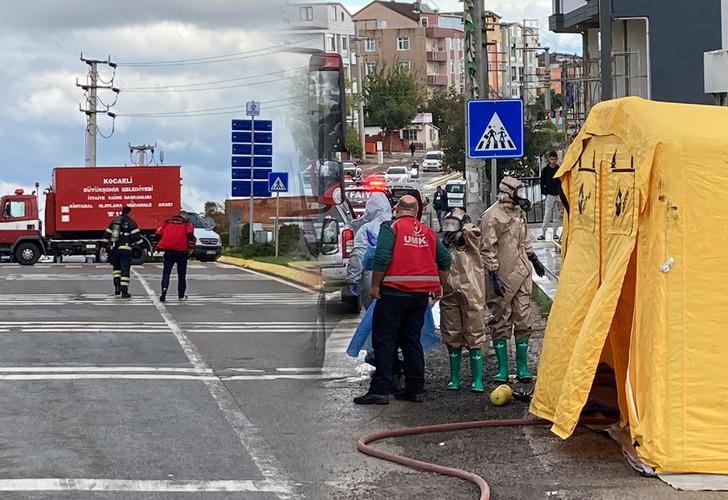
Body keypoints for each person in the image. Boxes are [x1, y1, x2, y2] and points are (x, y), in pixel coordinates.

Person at [354, 195, 451, 405]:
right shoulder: (428, 232)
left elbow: (381, 257)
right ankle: (414, 389)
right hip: (418, 298)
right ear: (417, 211)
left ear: (397, 210)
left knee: (384, 341)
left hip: (393, 295)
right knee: (411, 341)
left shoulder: (392, 228)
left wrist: (374, 285)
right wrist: (438, 285)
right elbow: (445, 260)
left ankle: (380, 389)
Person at [479, 177, 546, 382]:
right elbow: (487, 248)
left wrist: (534, 259)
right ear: (508, 192)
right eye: (518, 192)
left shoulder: (520, 213)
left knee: (524, 319)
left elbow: (524, 240)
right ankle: (502, 370)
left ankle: (523, 368)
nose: (522, 197)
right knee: (500, 319)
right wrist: (493, 274)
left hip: (522, 274)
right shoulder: (491, 216)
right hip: (502, 276)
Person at [440, 208, 486, 392]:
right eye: (447, 225)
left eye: (453, 225)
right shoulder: (444, 245)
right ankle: (454, 378)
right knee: (452, 331)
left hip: (471, 290)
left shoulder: (470, 239)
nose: (449, 229)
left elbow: (475, 235)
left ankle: (477, 379)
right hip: (449, 290)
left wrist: (463, 229)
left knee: (475, 332)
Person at [345, 192, 392, 310]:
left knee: (373, 318)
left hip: (372, 278)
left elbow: (358, 255)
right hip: (398, 278)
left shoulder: (367, 228)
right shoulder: (397, 225)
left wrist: (353, 279)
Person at [155, 210, 197, 302]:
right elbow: (190, 236)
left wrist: (157, 244)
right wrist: (190, 248)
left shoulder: (167, 222)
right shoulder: (187, 224)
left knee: (166, 273)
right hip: (182, 252)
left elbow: (158, 234)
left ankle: (164, 289)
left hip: (169, 252)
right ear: (185, 217)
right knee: (181, 274)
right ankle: (181, 294)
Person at [103, 206, 143, 298]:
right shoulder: (131, 222)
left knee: (116, 269)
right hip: (126, 250)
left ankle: (117, 287)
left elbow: (107, 234)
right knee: (125, 271)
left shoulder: (115, 221)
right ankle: (124, 292)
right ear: (129, 213)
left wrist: (103, 246)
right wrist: (143, 247)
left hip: (115, 249)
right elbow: (136, 237)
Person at [539, 151, 563, 241]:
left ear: (556, 159)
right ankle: (543, 233)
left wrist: (561, 192)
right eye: (551, 159)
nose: (553, 161)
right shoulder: (545, 170)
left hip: (558, 194)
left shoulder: (558, 168)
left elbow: (561, 181)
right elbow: (542, 182)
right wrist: (544, 192)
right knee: (547, 214)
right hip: (549, 194)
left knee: (556, 215)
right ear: (549, 159)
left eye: (554, 159)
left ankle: (555, 233)